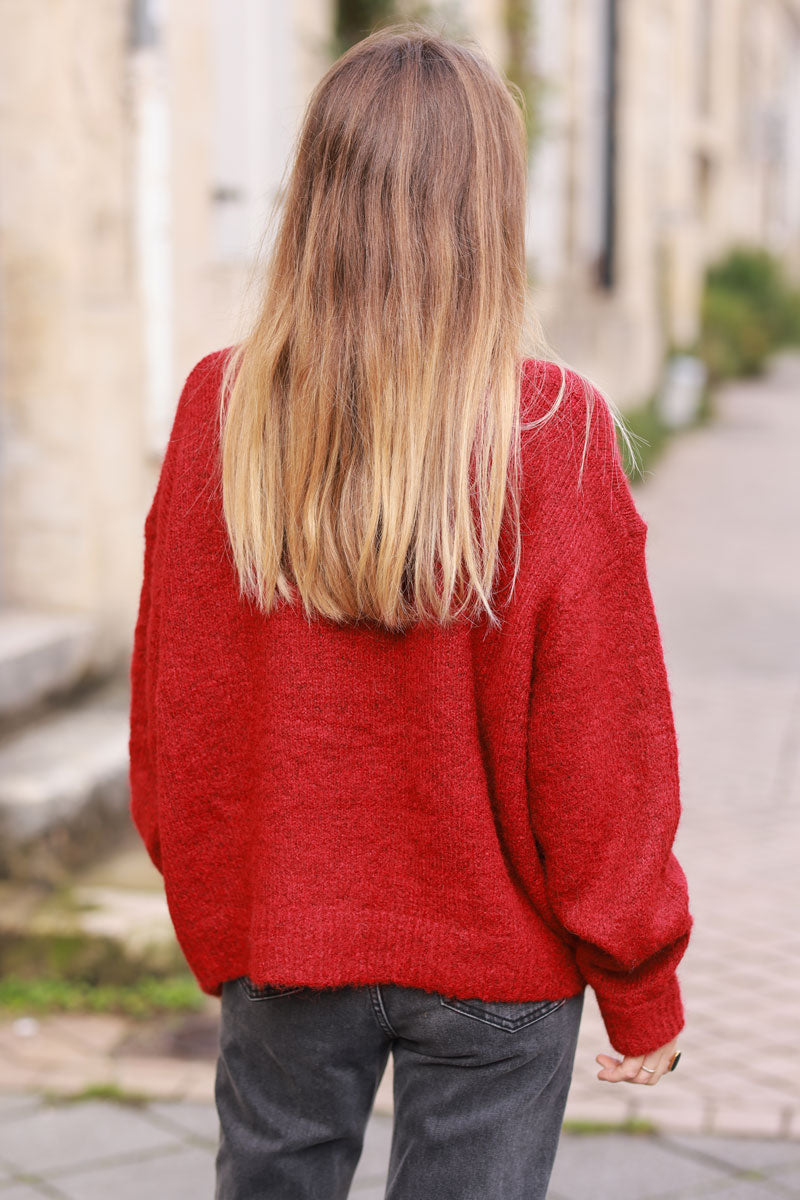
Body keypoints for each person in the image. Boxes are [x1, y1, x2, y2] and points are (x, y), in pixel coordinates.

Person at [128, 22, 692, 1200]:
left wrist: (221, 915)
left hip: (287, 937)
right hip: (500, 958)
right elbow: (601, 750)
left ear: (314, 194)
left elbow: (175, 713)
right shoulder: (554, 432)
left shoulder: (222, 413)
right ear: (492, 209)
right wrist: (638, 981)